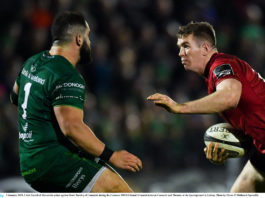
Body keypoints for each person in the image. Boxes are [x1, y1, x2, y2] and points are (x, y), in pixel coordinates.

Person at [10, 11, 142, 192]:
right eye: (88, 37)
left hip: (29, 162)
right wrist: (112, 156)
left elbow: (15, 97)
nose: (90, 42)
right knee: (115, 187)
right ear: (79, 39)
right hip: (53, 163)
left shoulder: (32, 62)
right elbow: (72, 128)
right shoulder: (66, 74)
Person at [147, 21, 265, 192]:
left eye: (186, 46)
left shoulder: (221, 65)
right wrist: (224, 148)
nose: (180, 53)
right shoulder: (214, 77)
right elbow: (253, 118)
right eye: (180, 47)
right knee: (242, 189)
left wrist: (179, 107)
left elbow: (230, 96)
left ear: (204, 49)